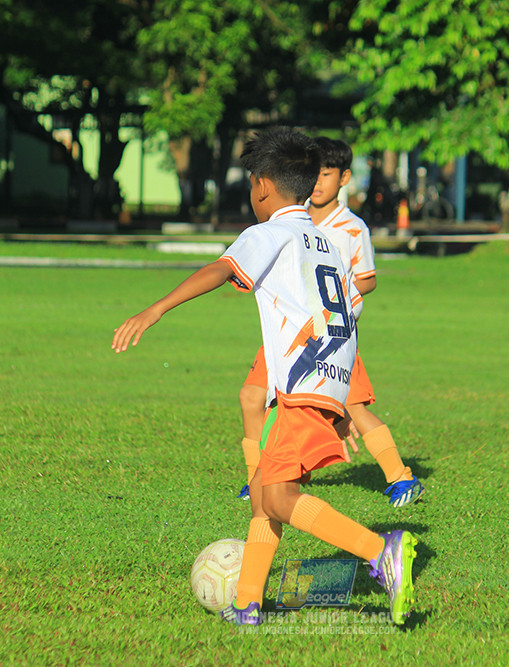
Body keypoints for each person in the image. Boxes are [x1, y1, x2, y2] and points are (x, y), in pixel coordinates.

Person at [111, 127, 418, 626]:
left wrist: (156, 309)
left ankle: (379, 551)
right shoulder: (325, 240)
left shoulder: (269, 233)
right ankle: (248, 603)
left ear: (261, 187)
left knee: (277, 497)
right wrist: (338, 399)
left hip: (300, 386)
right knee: (261, 495)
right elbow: (341, 314)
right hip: (326, 378)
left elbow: (220, 269)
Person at [236, 137, 425, 508]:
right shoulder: (294, 218)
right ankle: (256, 480)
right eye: (316, 174)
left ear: (344, 178)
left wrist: (336, 297)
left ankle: (402, 477)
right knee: (252, 397)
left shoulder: (352, 228)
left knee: (354, 409)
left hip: (332, 338)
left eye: (327, 174)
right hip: (289, 333)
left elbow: (367, 279)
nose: (319, 182)